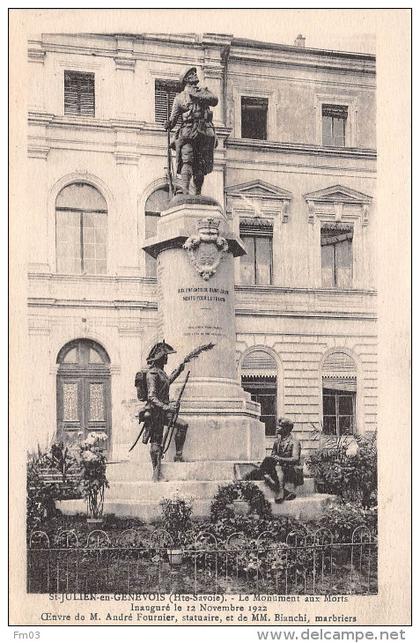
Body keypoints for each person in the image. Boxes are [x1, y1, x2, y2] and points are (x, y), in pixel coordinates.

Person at [135, 341, 188, 482]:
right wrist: (167, 407)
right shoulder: (152, 374)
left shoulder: (161, 372)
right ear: (159, 357)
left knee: (183, 425)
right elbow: (151, 397)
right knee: (156, 441)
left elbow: (167, 382)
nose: (167, 358)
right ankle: (156, 473)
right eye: (165, 356)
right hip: (155, 412)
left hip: (163, 410)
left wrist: (179, 370)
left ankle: (178, 455)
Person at [164, 66, 218, 196]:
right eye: (191, 74)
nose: (195, 75)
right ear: (186, 79)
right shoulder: (180, 98)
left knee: (200, 164)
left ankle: (198, 193)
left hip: (204, 132)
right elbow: (174, 119)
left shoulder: (204, 92)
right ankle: (185, 190)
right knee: (187, 160)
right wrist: (169, 124)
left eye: (194, 73)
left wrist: (197, 96)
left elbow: (214, 100)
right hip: (187, 133)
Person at [244, 418, 302, 503]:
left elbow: (295, 459)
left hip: (291, 469)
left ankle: (281, 490)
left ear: (287, 429)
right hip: (279, 468)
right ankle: (284, 492)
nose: (277, 428)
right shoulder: (277, 442)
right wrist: (275, 459)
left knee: (273, 468)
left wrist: (280, 459)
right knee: (267, 469)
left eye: (280, 426)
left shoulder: (294, 442)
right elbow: (273, 456)